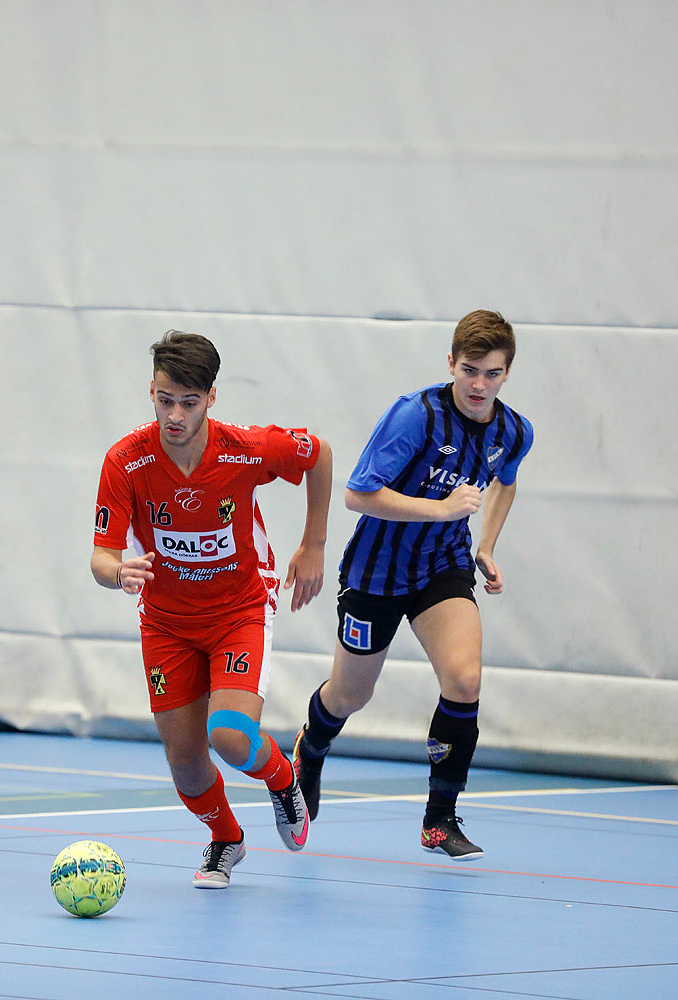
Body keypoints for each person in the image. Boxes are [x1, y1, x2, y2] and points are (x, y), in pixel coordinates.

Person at [91, 330, 332, 888]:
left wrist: (313, 543)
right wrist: (117, 573)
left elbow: (317, 453)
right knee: (187, 762)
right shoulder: (126, 462)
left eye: (189, 402)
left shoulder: (245, 448)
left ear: (212, 398)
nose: (175, 414)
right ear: (151, 391)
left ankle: (282, 777)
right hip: (167, 622)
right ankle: (226, 839)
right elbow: (102, 557)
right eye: (164, 399)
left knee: (227, 734)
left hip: (239, 609)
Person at [291, 309, 533, 860]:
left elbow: (506, 482)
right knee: (351, 694)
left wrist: (486, 545)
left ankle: (439, 817)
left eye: (491, 373)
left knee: (465, 678)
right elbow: (357, 493)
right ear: (450, 363)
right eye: (469, 369)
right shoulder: (415, 416)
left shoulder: (513, 430)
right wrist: (441, 508)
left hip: (441, 568)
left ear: (507, 373)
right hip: (376, 571)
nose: (478, 384)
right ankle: (313, 744)